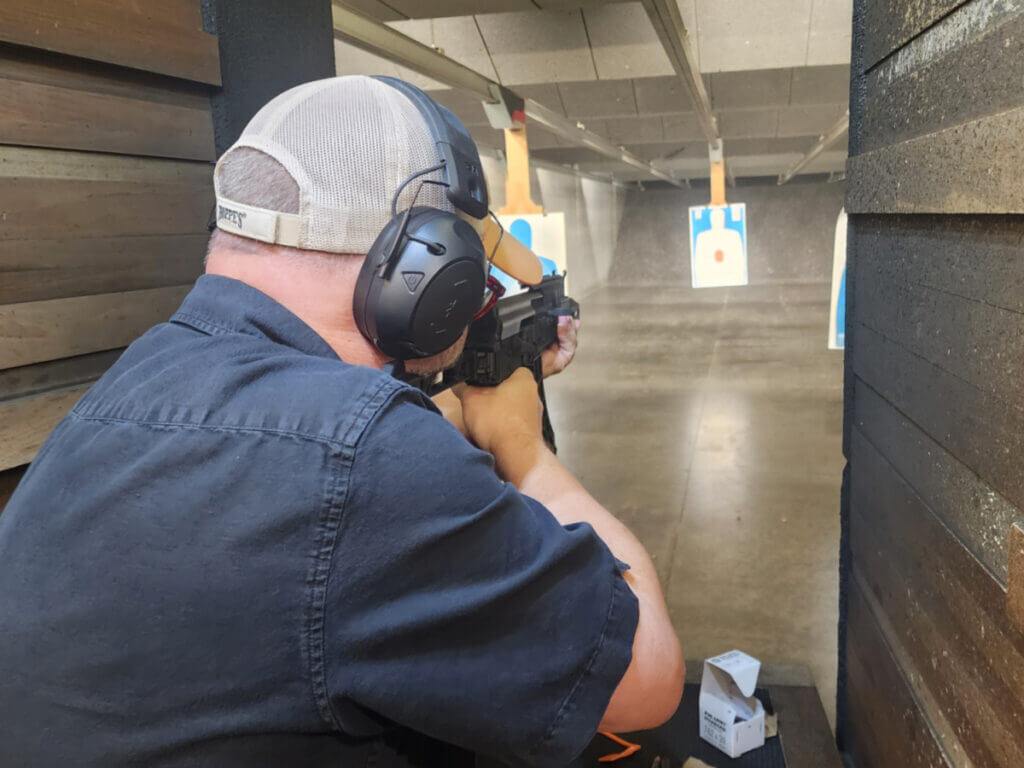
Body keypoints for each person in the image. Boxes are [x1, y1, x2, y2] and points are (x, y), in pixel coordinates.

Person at [0, 76, 683, 767]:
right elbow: (646, 679)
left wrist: (446, 407)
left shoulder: (135, 379)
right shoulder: (370, 457)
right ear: (427, 266)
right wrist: (522, 446)